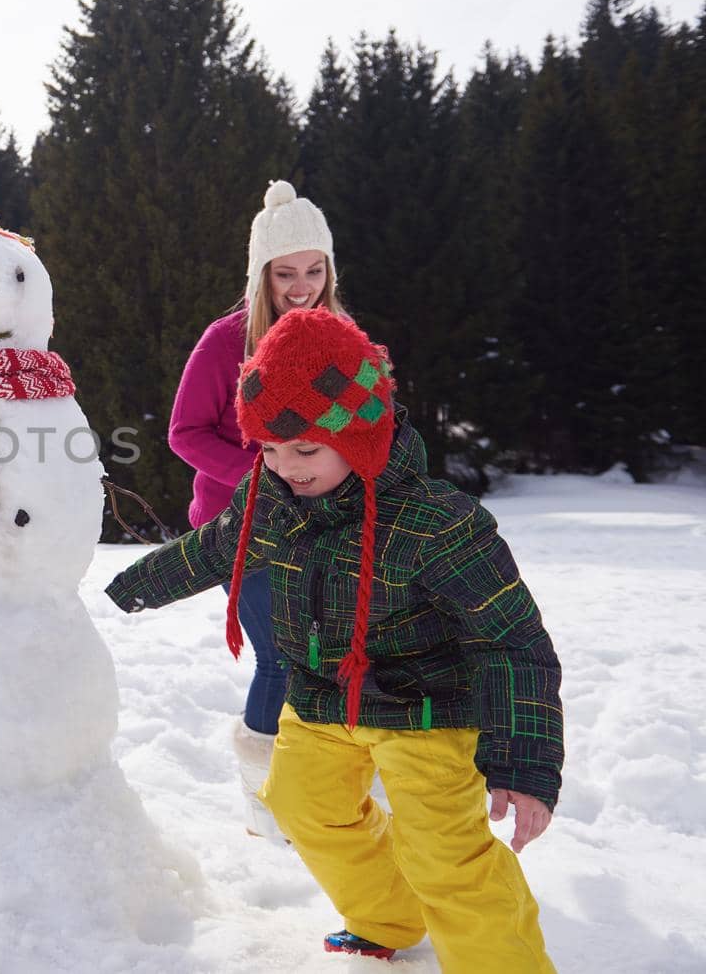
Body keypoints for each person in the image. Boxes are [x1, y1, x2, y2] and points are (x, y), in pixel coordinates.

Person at [107, 308, 562, 970]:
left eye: (304, 449)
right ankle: (388, 915)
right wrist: (124, 589)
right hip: (321, 698)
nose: (284, 467)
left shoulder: (437, 525)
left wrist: (523, 764)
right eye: (267, 449)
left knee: (445, 856)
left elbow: (511, 641)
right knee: (300, 804)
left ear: (361, 434)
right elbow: (218, 545)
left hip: (427, 710)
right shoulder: (275, 498)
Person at [167, 179, 346, 838]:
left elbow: (359, 428)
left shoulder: (339, 337)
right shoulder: (227, 341)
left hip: (323, 526)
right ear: (261, 274)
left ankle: (327, 780)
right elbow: (184, 433)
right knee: (284, 658)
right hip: (242, 527)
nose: (301, 285)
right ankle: (263, 796)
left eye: (314, 269)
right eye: (285, 273)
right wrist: (269, 474)